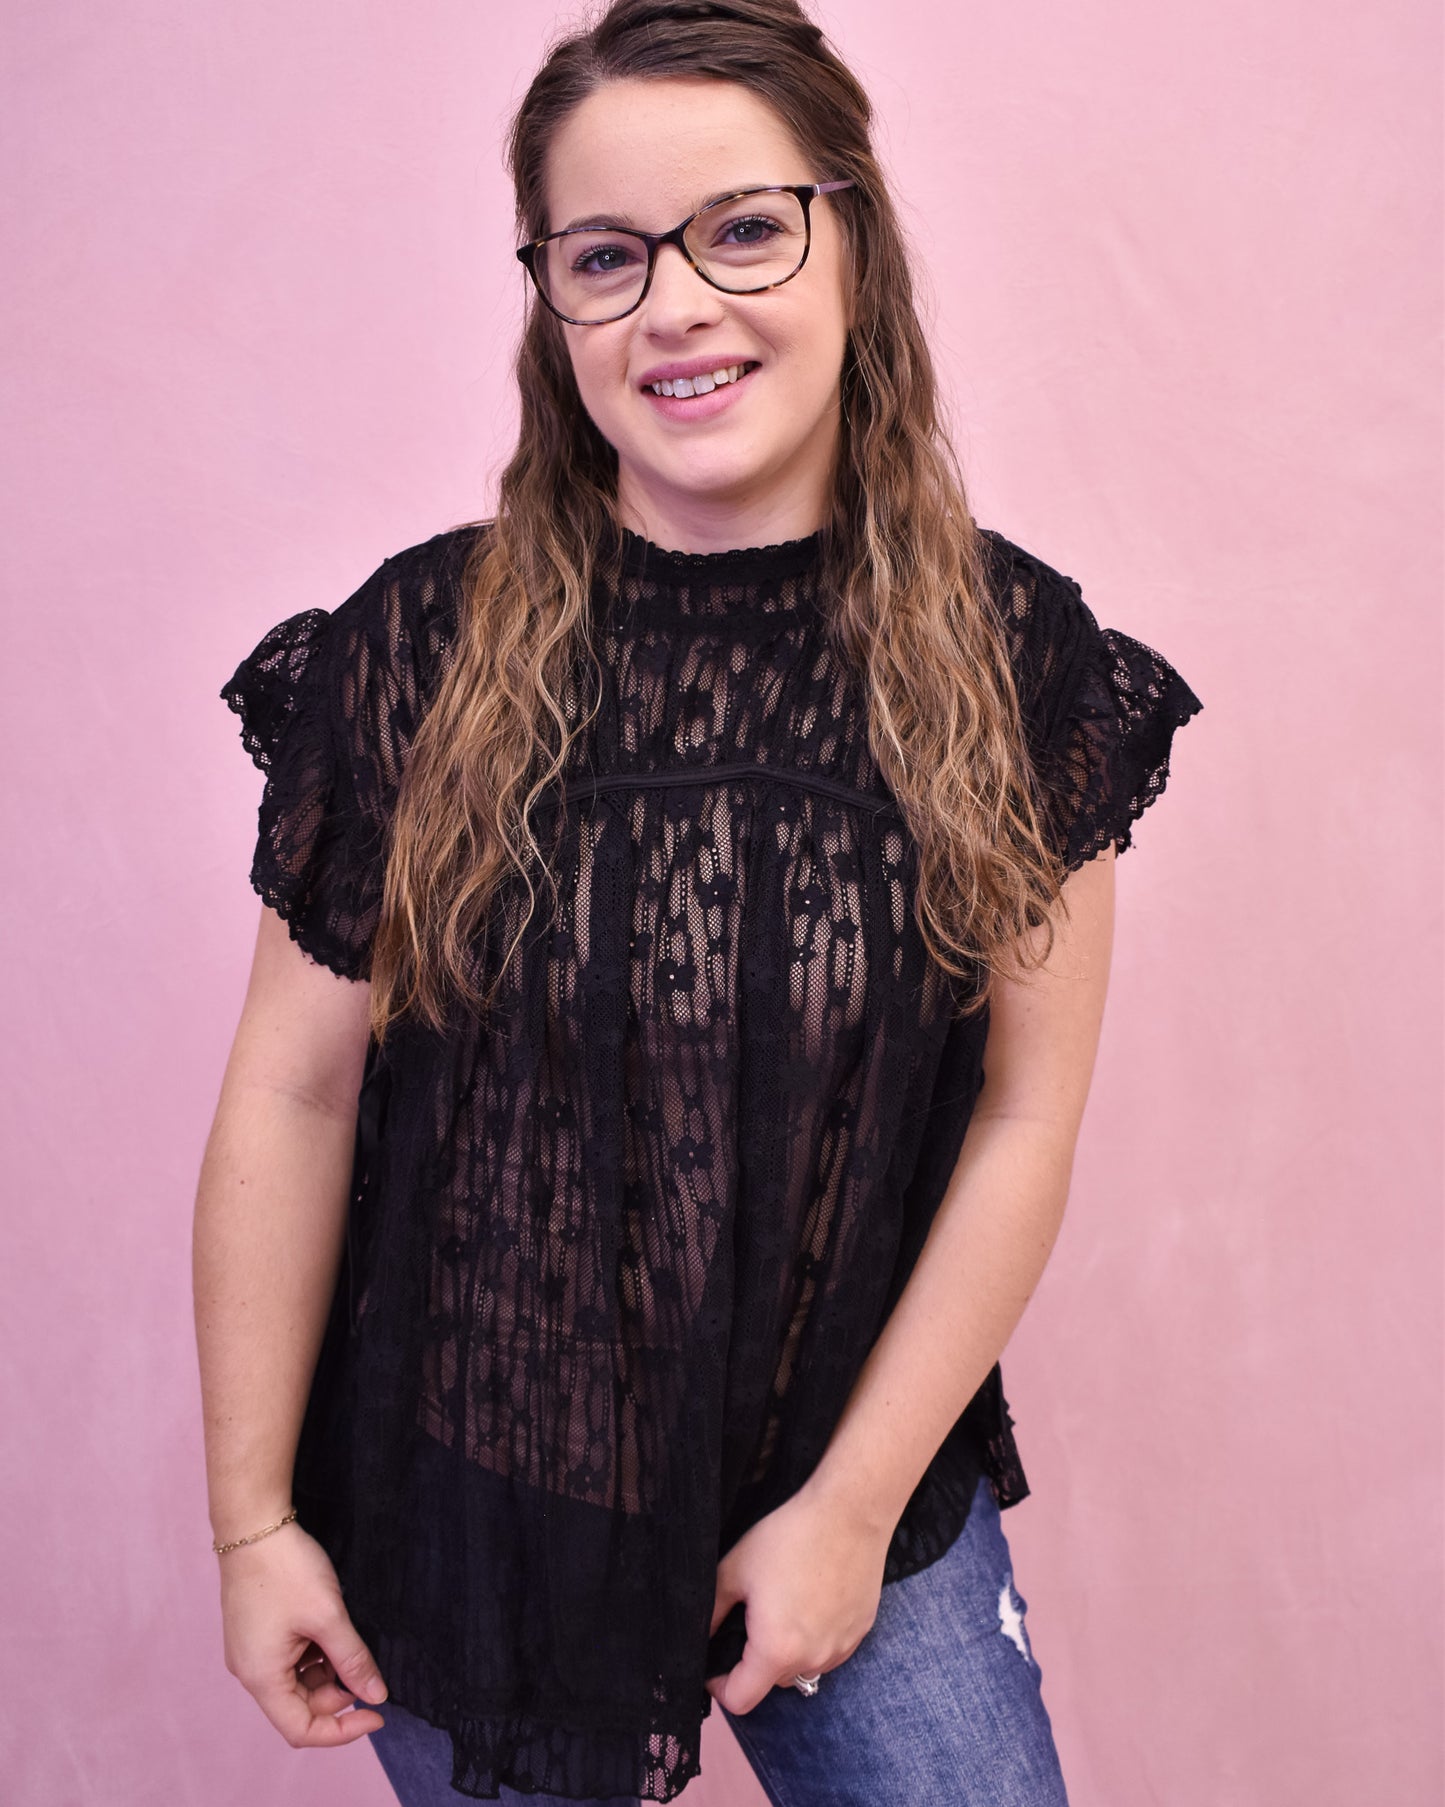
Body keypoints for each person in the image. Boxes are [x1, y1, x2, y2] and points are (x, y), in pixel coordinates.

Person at [193, 1, 1204, 1802]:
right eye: (603, 256)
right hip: (482, 1510)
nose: (675, 303)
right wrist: (252, 1519)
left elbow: (1021, 1119)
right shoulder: (412, 654)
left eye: (741, 227)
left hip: (860, 1486)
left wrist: (849, 1508)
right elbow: (292, 1089)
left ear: (851, 240)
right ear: (551, 301)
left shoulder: (1012, 655)